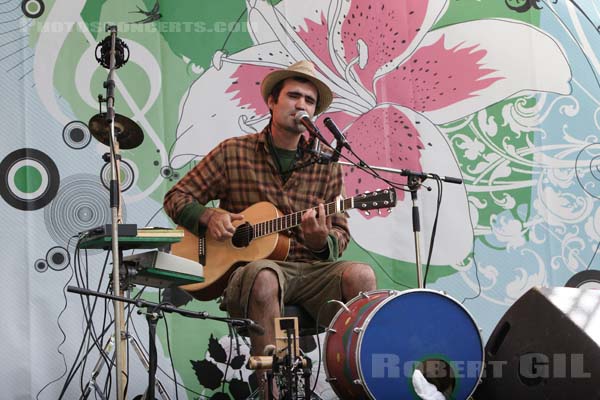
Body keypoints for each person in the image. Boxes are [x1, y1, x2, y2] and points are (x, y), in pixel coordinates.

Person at [163, 60, 377, 396]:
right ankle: (271, 393)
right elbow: (177, 197)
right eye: (294, 96)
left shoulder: (327, 167)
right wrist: (208, 217)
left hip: (310, 273)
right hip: (249, 275)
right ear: (272, 102)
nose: (302, 105)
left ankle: (359, 388)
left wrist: (322, 242)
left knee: (362, 276)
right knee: (264, 273)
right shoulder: (234, 152)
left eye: (309, 100)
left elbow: (340, 232)